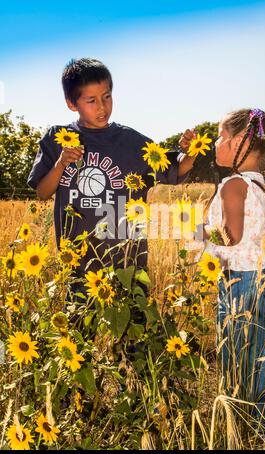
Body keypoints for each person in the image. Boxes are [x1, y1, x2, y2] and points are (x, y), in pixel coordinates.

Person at [27, 58, 195, 301]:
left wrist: (189, 151)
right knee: (78, 333)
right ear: (71, 104)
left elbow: (176, 170)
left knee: (133, 330)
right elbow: (42, 192)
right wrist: (61, 163)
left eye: (107, 96)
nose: (102, 107)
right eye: (91, 100)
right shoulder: (58, 138)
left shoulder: (131, 142)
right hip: (79, 260)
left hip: (127, 259)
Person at [180, 108, 265, 440]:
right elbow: (262, 228)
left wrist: (200, 232)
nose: (216, 142)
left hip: (239, 281)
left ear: (241, 141)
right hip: (261, 276)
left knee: (237, 353)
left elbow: (232, 236)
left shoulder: (231, 184)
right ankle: (257, 421)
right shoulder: (258, 184)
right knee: (255, 352)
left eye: (221, 136)